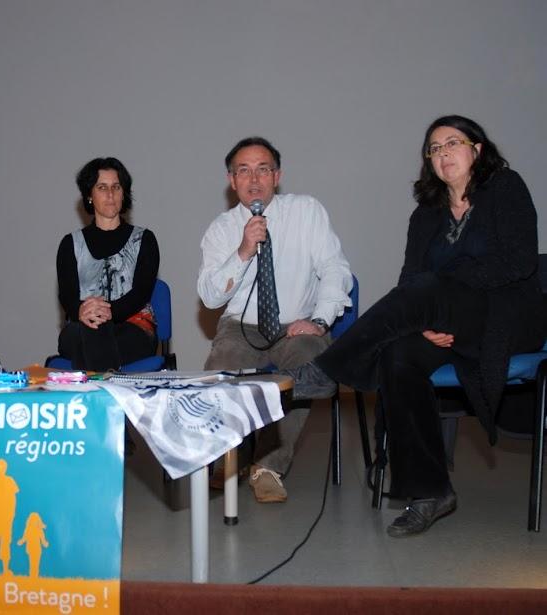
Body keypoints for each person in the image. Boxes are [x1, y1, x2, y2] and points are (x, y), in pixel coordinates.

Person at [314, 115, 544, 537]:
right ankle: (429, 490)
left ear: (477, 150)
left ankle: (332, 365)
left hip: (505, 317)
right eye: (434, 148)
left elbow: (519, 262)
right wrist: (424, 323)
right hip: (444, 322)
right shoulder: (426, 214)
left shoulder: (506, 189)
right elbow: (409, 282)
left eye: (452, 143)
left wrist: (444, 290)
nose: (442, 153)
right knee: (399, 356)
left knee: (434, 284)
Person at [198, 137, 352, 504]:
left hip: (296, 324)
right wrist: (243, 250)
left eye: (263, 169)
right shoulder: (221, 229)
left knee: (309, 364)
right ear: (231, 180)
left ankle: (268, 466)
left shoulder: (306, 211)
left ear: (277, 176)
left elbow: (335, 268)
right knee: (220, 372)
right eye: (243, 170)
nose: (254, 178)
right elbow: (209, 295)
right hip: (241, 325)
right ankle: (228, 457)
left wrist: (319, 319)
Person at [56, 157, 160, 371]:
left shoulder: (145, 240)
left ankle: (95, 395)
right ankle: (108, 390)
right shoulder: (70, 244)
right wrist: (83, 311)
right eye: (102, 187)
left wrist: (108, 312)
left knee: (91, 341)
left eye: (116, 187)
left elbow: (141, 293)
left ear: (124, 194)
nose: (110, 194)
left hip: (134, 329)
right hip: (82, 325)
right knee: (86, 334)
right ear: (89, 195)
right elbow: (67, 296)